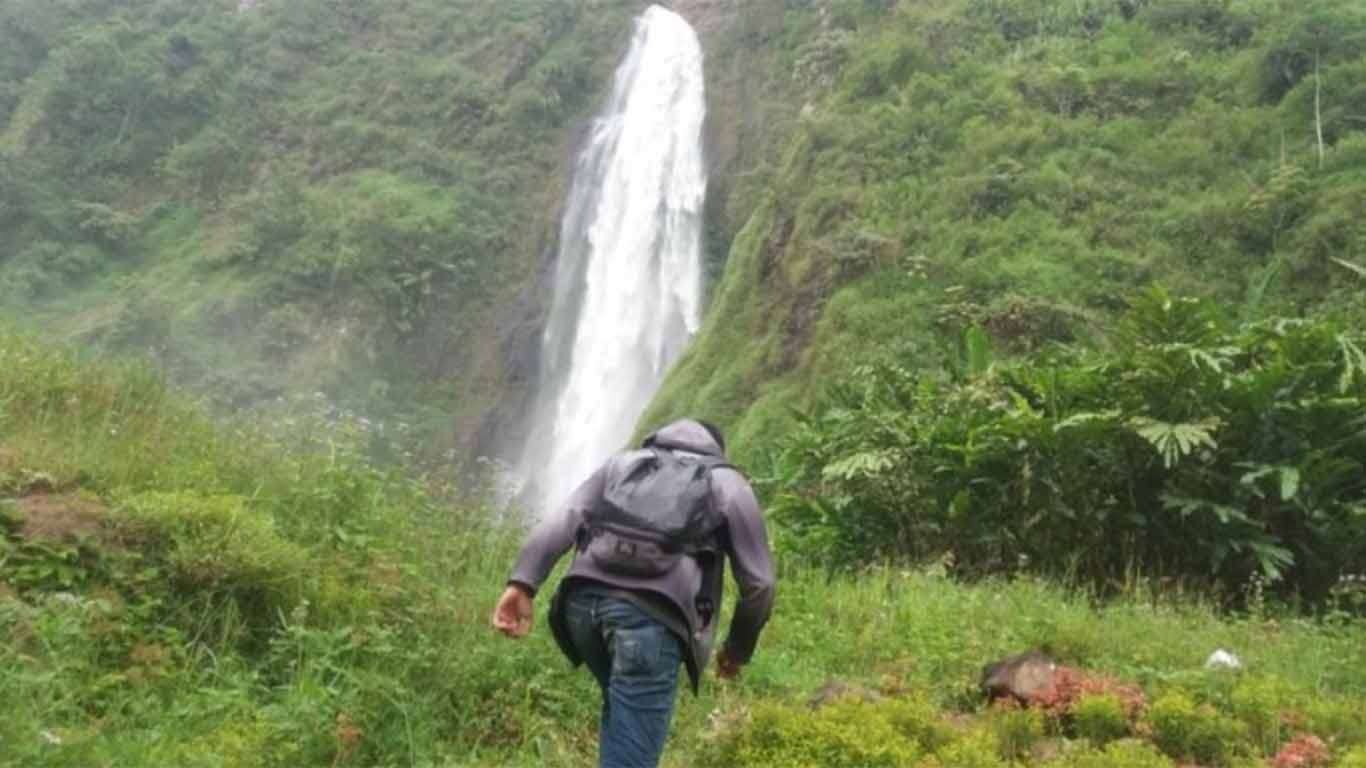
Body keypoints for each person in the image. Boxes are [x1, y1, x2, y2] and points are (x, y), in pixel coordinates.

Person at [492, 418, 775, 768]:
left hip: (580, 610)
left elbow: (565, 517)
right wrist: (736, 651)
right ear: (716, 449)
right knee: (633, 744)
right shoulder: (727, 483)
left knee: (622, 713)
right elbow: (760, 585)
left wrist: (521, 584)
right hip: (650, 622)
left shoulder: (621, 464)